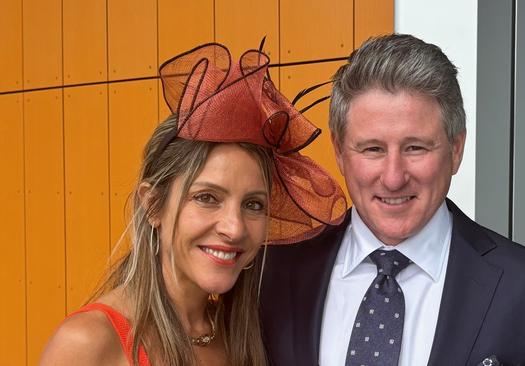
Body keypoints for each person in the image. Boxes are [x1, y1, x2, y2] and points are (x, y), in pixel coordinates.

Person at [259, 34, 525, 366]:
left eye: (416, 147)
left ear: (456, 149)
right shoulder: (271, 274)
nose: (393, 177)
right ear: (340, 152)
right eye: (373, 149)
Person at [39, 43, 346, 366]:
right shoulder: (89, 344)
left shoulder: (243, 334)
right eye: (207, 198)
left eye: (253, 204)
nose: (234, 227)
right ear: (153, 205)